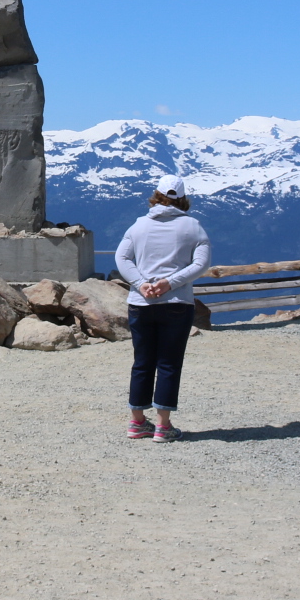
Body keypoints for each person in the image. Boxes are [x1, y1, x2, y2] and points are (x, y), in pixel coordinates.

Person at [114, 175, 212, 443]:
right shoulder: (193, 227)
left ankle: (137, 422)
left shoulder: (139, 225)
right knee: (168, 363)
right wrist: (171, 283)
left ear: (156, 195)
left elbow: (122, 257)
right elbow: (201, 264)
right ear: (183, 199)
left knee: (142, 362)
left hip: (141, 303)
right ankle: (162, 426)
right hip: (176, 303)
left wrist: (141, 284)